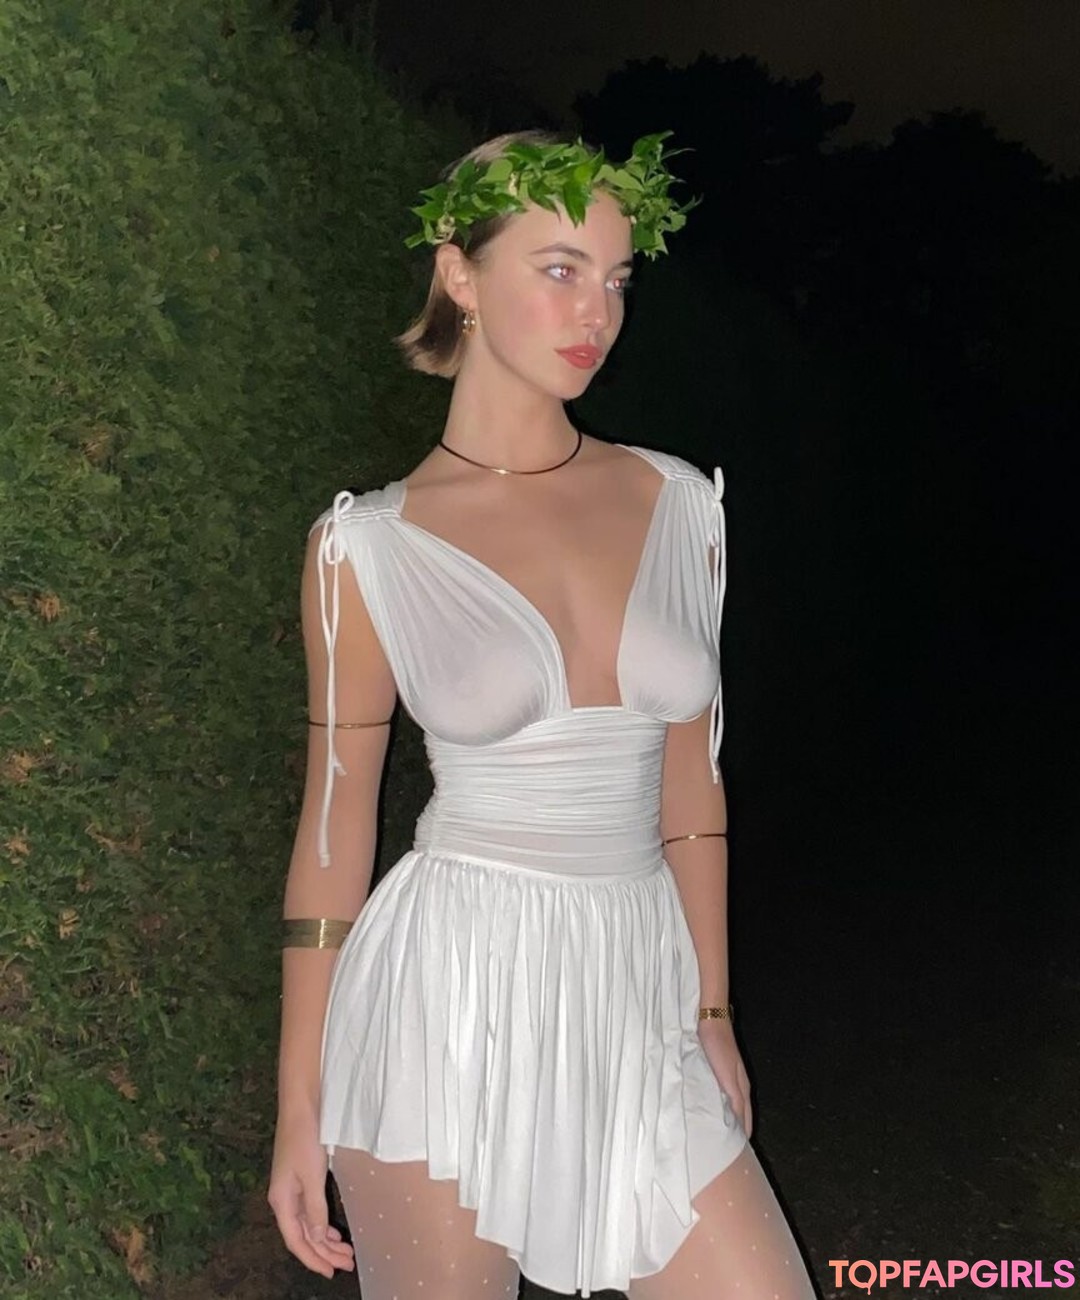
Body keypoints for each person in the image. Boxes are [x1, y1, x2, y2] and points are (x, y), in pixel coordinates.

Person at [268, 128, 819, 1300]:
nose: (596, 313)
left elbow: (692, 792)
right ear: (459, 275)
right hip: (440, 1003)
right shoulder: (366, 547)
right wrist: (298, 1105)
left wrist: (712, 1007)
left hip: (636, 996)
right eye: (560, 269)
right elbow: (333, 831)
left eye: (615, 279)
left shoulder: (681, 504)